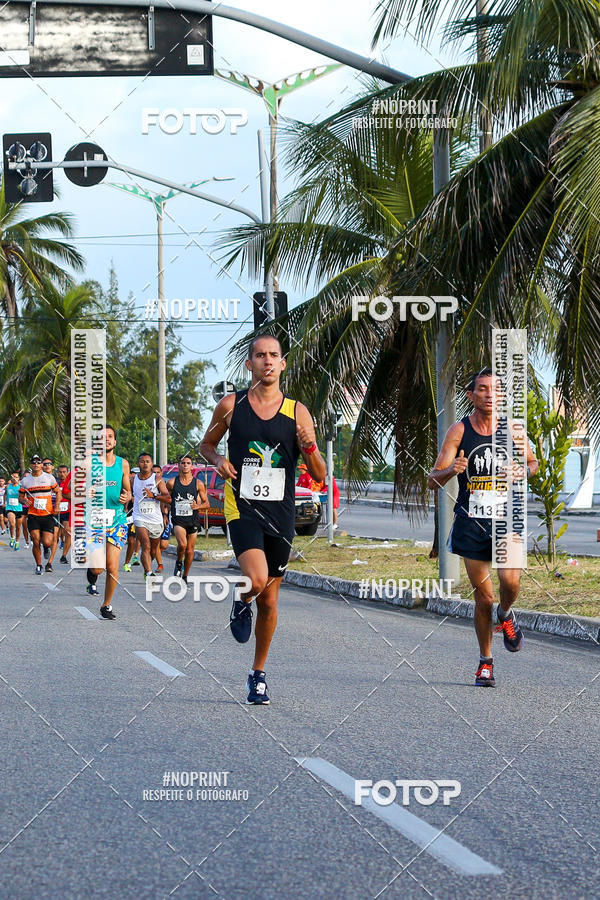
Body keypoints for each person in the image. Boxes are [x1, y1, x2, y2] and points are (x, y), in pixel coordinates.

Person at [200, 335, 326, 705]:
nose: (267, 361)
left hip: (281, 513)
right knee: (255, 578)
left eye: (274, 355)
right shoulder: (231, 405)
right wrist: (217, 461)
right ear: (249, 364)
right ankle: (241, 599)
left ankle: (257, 674)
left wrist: (311, 445)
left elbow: (318, 473)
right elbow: (206, 445)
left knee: (270, 602)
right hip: (242, 507)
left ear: (283, 364)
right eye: (260, 355)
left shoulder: (298, 412)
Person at [427, 368, 538, 687]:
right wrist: (452, 469)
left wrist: (523, 470)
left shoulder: (513, 429)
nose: (490, 394)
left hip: (506, 519)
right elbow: (432, 480)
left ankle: (506, 614)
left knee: (510, 583)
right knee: (483, 598)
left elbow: (532, 462)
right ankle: (485, 663)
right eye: (483, 389)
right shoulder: (458, 432)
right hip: (471, 521)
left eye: (495, 389)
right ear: (471, 395)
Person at [86, 426, 131, 619]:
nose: (106, 440)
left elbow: (127, 491)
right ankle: (92, 572)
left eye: (110, 437)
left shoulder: (123, 464)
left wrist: (126, 496)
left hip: (117, 520)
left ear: (115, 442)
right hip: (95, 520)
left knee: (113, 567)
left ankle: (106, 605)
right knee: (98, 568)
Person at [165, 454, 209, 584]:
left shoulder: (198, 484)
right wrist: (165, 513)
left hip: (192, 519)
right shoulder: (172, 483)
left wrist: (198, 506)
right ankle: (179, 562)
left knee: (190, 551)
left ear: (192, 466)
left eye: (188, 463)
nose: (185, 465)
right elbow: (166, 499)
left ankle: (185, 575)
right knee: (182, 544)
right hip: (178, 519)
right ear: (178, 465)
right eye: (183, 463)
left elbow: (207, 504)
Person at [131, 453, 171, 579]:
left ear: (151, 463)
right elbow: (125, 492)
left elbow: (168, 498)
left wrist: (153, 496)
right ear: (138, 464)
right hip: (139, 518)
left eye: (148, 461)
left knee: (153, 550)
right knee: (145, 545)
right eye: (142, 461)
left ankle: (147, 565)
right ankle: (148, 573)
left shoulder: (157, 479)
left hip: (155, 519)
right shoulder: (133, 480)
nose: (145, 464)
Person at [19, 454, 61, 574]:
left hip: (47, 514)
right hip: (33, 514)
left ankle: (46, 547)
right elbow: (21, 496)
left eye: (38, 462)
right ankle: (38, 565)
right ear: (31, 465)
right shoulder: (25, 481)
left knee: (47, 541)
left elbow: (58, 492)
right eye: (33, 463)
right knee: (36, 540)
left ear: (42, 464)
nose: (36, 465)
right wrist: (23, 500)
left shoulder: (49, 478)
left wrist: (56, 506)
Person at [57, 464, 71, 564]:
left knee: (68, 532)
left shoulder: (71, 483)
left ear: (67, 472)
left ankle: (64, 555)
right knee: (55, 535)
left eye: (64, 472)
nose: (62, 474)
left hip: (67, 510)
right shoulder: (54, 483)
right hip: (56, 511)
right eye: (60, 472)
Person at [6, 471, 24, 549]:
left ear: (19, 478)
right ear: (11, 478)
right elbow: (5, 494)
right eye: (13, 477)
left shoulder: (21, 487)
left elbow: (24, 497)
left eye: (16, 477)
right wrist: (4, 502)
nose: (14, 478)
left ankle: (17, 541)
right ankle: (12, 538)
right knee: (12, 524)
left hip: (19, 508)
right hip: (10, 508)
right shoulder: (8, 486)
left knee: (18, 527)